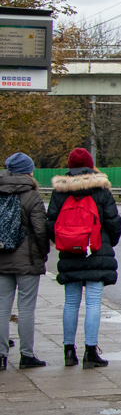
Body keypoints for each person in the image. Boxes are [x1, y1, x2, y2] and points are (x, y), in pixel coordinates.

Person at [47, 147, 121, 368]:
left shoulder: (60, 192)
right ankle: (91, 352)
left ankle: (69, 352)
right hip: (96, 252)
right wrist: (108, 242)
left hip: (70, 253)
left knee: (70, 303)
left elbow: (51, 223)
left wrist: (65, 242)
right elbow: (113, 222)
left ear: (70, 167)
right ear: (90, 165)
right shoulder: (101, 190)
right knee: (93, 303)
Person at [0, 153, 50, 370]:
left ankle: (1, 355)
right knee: (26, 308)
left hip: (1, 258)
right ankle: (27, 355)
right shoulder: (32, 196)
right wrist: (43, 253)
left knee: (2, 308)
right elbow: (40, 230)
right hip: (27, 260)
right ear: (29, 171)